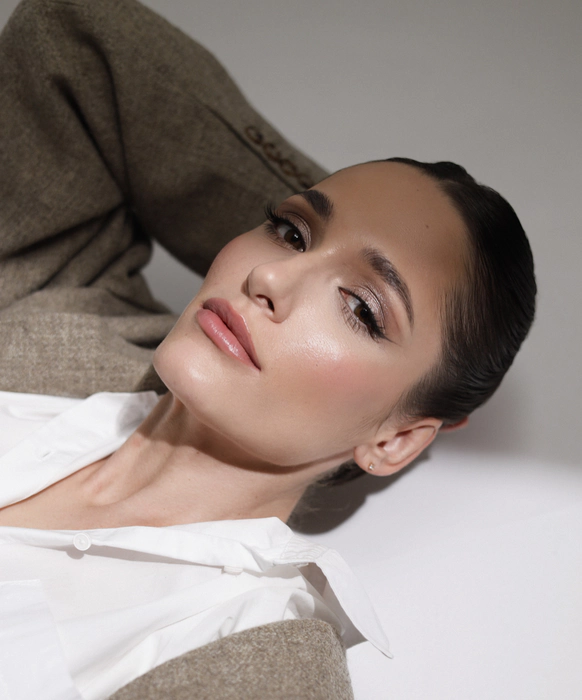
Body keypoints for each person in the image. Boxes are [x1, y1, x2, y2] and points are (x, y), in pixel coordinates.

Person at [0, 0, 536, 698]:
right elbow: (74, 36)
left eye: (361, 309)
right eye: (288, 231)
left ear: (398, 439)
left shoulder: (260, 661)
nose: (270, 277)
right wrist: (381, 211)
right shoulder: (62, 313)